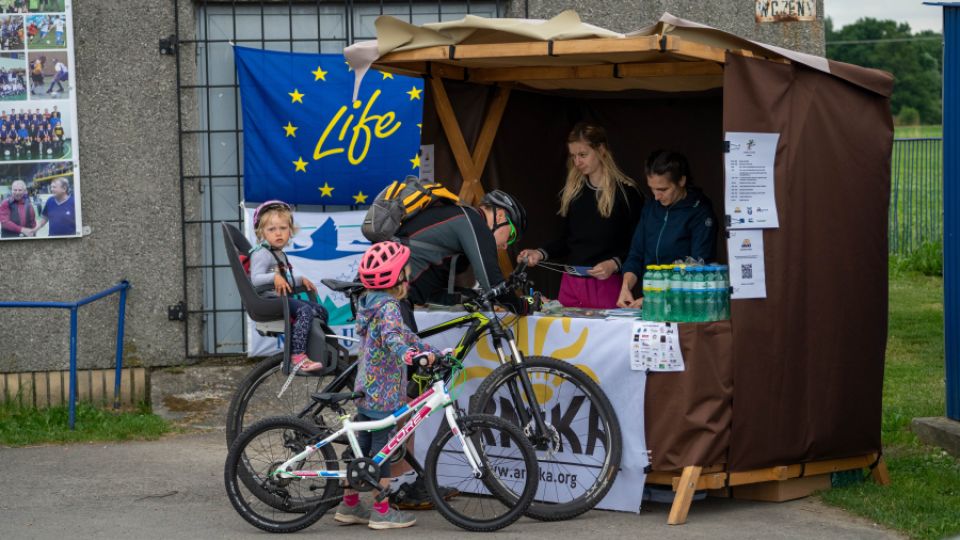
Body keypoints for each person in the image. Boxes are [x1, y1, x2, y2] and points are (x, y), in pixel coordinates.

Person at [333, 241, 442, 530]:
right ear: (399, 277)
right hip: (384, 394)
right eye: (407, 271)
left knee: (362, 451)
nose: (410, 275)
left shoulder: (370, 302)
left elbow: (406, 335)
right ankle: (382, 511)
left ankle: (350, 505)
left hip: (366, 388)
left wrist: (435, 351)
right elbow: (396, 340)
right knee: (381, 453)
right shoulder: (391, 307)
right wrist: (413, 357)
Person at [517, 122, 643, 308]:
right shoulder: (573, 192)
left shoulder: (627, 193)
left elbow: (638, 246)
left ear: (601, 150)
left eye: (583, 155)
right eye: (573, 156)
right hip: (571, 284)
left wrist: (614, 264)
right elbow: (566, 240)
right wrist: (540, 253)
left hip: (609, 284)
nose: (577, 162)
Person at [618, 150, 718, 308]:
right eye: (652, 189)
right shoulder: (650, 208)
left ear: (682, 181)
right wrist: (625, 287)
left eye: (663, 190)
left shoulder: (700, 212)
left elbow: (699, 266)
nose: (656, 196)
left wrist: (658, 297)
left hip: (685, 304)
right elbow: (636, 254)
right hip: (651, 301)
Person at [248, 200, 328, 372]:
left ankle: (318, 349)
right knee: (305, 311)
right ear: (261, 233)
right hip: (269, 300)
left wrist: (299, 280)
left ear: (290, 231)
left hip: (280, 298)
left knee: (320, 310)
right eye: (272, 229)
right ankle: (298, 355)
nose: (278, 233)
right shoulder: (262, 253)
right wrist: (274, 277)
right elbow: (255, 279)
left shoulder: (279, 254)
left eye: (283, 228)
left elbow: (285, 279)